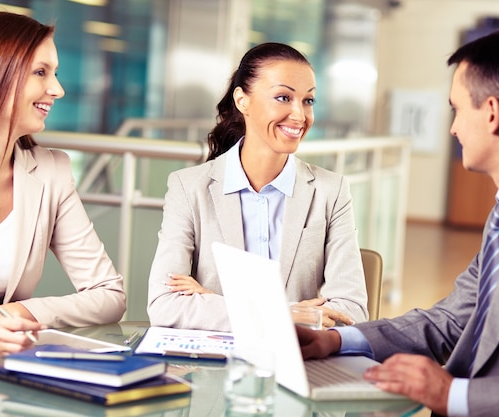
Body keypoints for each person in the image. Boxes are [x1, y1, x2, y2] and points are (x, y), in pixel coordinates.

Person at [297, 27, 499, 417]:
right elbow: (451, 319)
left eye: (457, 109)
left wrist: (452, 395)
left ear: (493, 113)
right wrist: (334, 340)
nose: (453, 128)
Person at [0, 12, 126, 356]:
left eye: (56, 73)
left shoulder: (52, 172)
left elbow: (109, 295)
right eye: (40, 72)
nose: (58, 89)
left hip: (3, 373)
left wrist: (9, 313)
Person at [147, 42, 368, 332]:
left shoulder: (331, 191)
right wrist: (281, 313)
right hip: (217, 367)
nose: (300, 116)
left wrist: (217, 302)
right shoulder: (188, 188)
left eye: (308, 100)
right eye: (283, 97)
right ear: (243, 101)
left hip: (301, 362)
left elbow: (351, 312)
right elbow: (165, 304)